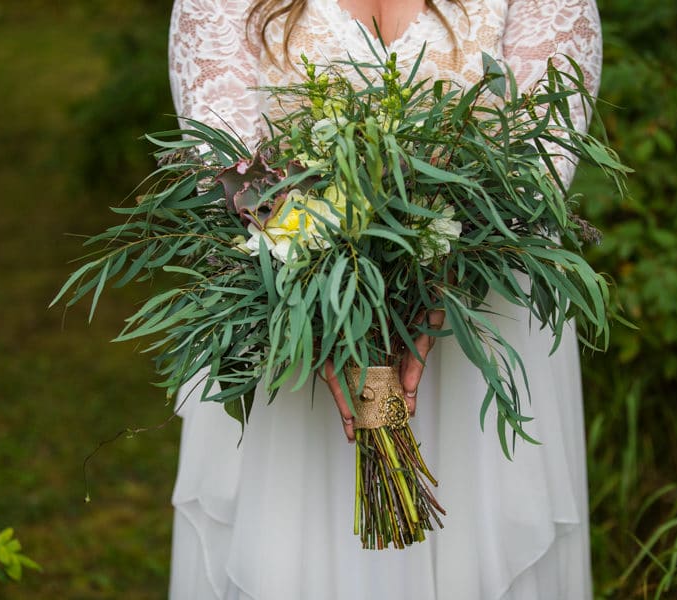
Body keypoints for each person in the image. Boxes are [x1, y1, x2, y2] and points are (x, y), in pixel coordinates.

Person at [167, 1, 602, 598]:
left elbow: (538, 164)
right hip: (290, 332)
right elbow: (225, 169)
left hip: (478, 331)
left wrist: (436, 293)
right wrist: (320, 308)